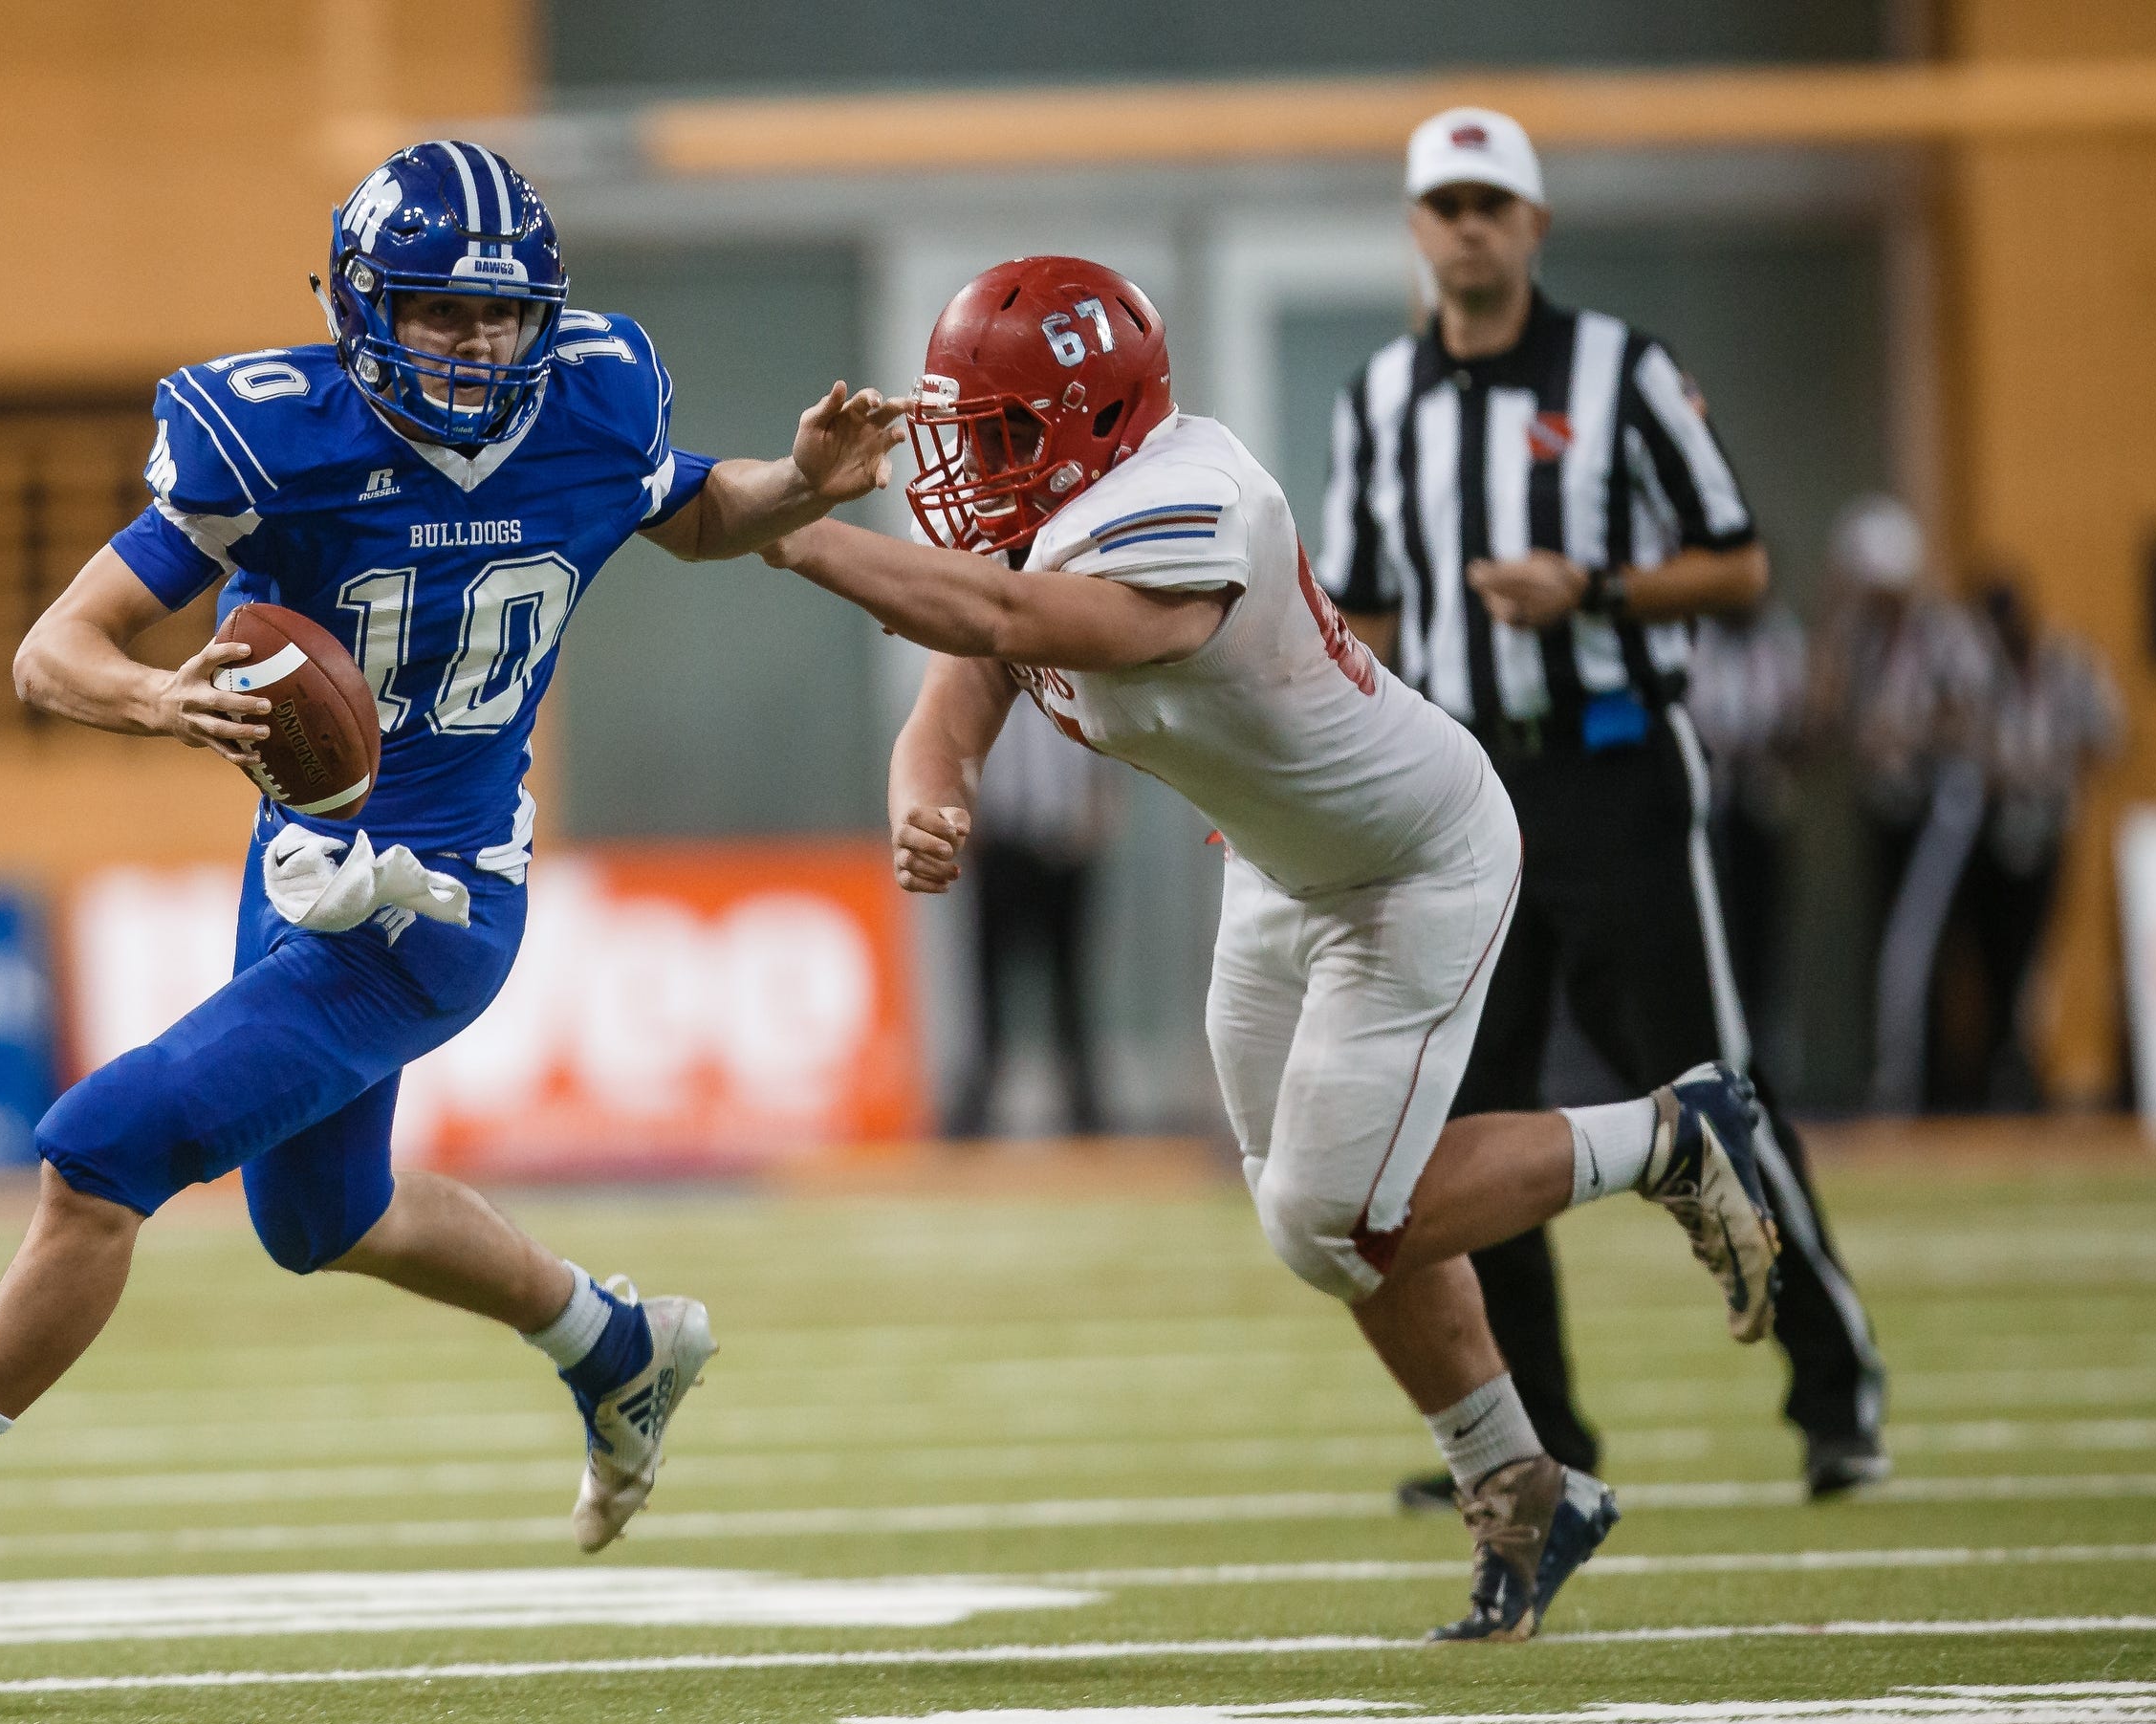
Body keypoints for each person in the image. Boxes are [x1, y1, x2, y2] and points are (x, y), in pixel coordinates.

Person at [0, 142, 907, 1631]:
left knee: (101, 1153)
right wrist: (157, 702)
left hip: (439, 906)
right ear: (363, 307)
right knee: (321, 1215)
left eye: (501, 315)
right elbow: (50, 650)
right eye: (440, 312)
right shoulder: (276, 438)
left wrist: (794, 487)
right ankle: (612, 1342)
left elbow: (690, 511)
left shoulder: (595, 398)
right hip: (306, 868)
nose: (476, 344)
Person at [761, 252, 1784, 1643]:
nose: (973, 466)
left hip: (1414, 857)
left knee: (1334, 1213)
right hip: (1280, 866)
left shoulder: (1190, 504)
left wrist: (785, 525)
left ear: (1094, 423)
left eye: (1003, 432)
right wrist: (929, 796)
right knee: (1317, 1210)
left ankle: (1670, 1135)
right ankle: (1520, 1489)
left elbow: (1005, 619)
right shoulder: (1050, 507)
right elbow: (957, 700)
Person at [1319, 110, 1888, 1509]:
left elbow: (1741, 563)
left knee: (1714, 1087)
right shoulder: (1377, 398)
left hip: (1614, 774)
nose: (1465, 224)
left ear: (1532, 225)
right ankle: (1543, 1431)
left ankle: (1836, 1395)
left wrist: (1598, 590)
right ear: (1415, 225)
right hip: (1459, 796)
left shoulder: (1620, 372)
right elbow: (1364, 609)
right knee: (1462, 1124)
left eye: (1488, 201)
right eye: (1442, 202)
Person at [1806, 495, 1995, 1113]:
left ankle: (1906, 1088)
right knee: (1894, 941)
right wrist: (1834, 614)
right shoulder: (1859, 637)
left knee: (1909, 947)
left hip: (1941, 800)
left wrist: (1907, 734)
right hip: (1887, 806)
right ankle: (1912, 1081)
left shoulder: (1945, 632)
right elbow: (1824, 710)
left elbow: (1975, 722)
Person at [1949, 571, 2122, 1107]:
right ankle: (1998, 1068)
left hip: (2046, 823)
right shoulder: (1982, 672)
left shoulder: (2067, 666)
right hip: (1990, 823)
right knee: (1991, 951)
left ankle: (2021, 1071)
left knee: (2033, 953)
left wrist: (2056, 774)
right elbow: (1958, 736)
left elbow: (2110, 736)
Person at [945, 702, 1122, 1136]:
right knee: (988, 979)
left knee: (1071, 976)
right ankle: (981, 1098)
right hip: (1001, 849)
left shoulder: (1072, 690)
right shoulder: (984, 693)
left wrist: (1095, 825)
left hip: (1064, 849)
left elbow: (1103, 764)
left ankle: (1083, 1103)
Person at [1688, 602, 1808, 1059]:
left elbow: (1803, 722)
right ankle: (1719, 1051)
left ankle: (1767, 1052)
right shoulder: (1700, 640)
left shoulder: (1781, 640)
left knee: (1766, 936)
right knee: (1718, 930)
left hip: (1764, 804)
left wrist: (1771, 746)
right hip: (1712, 809)